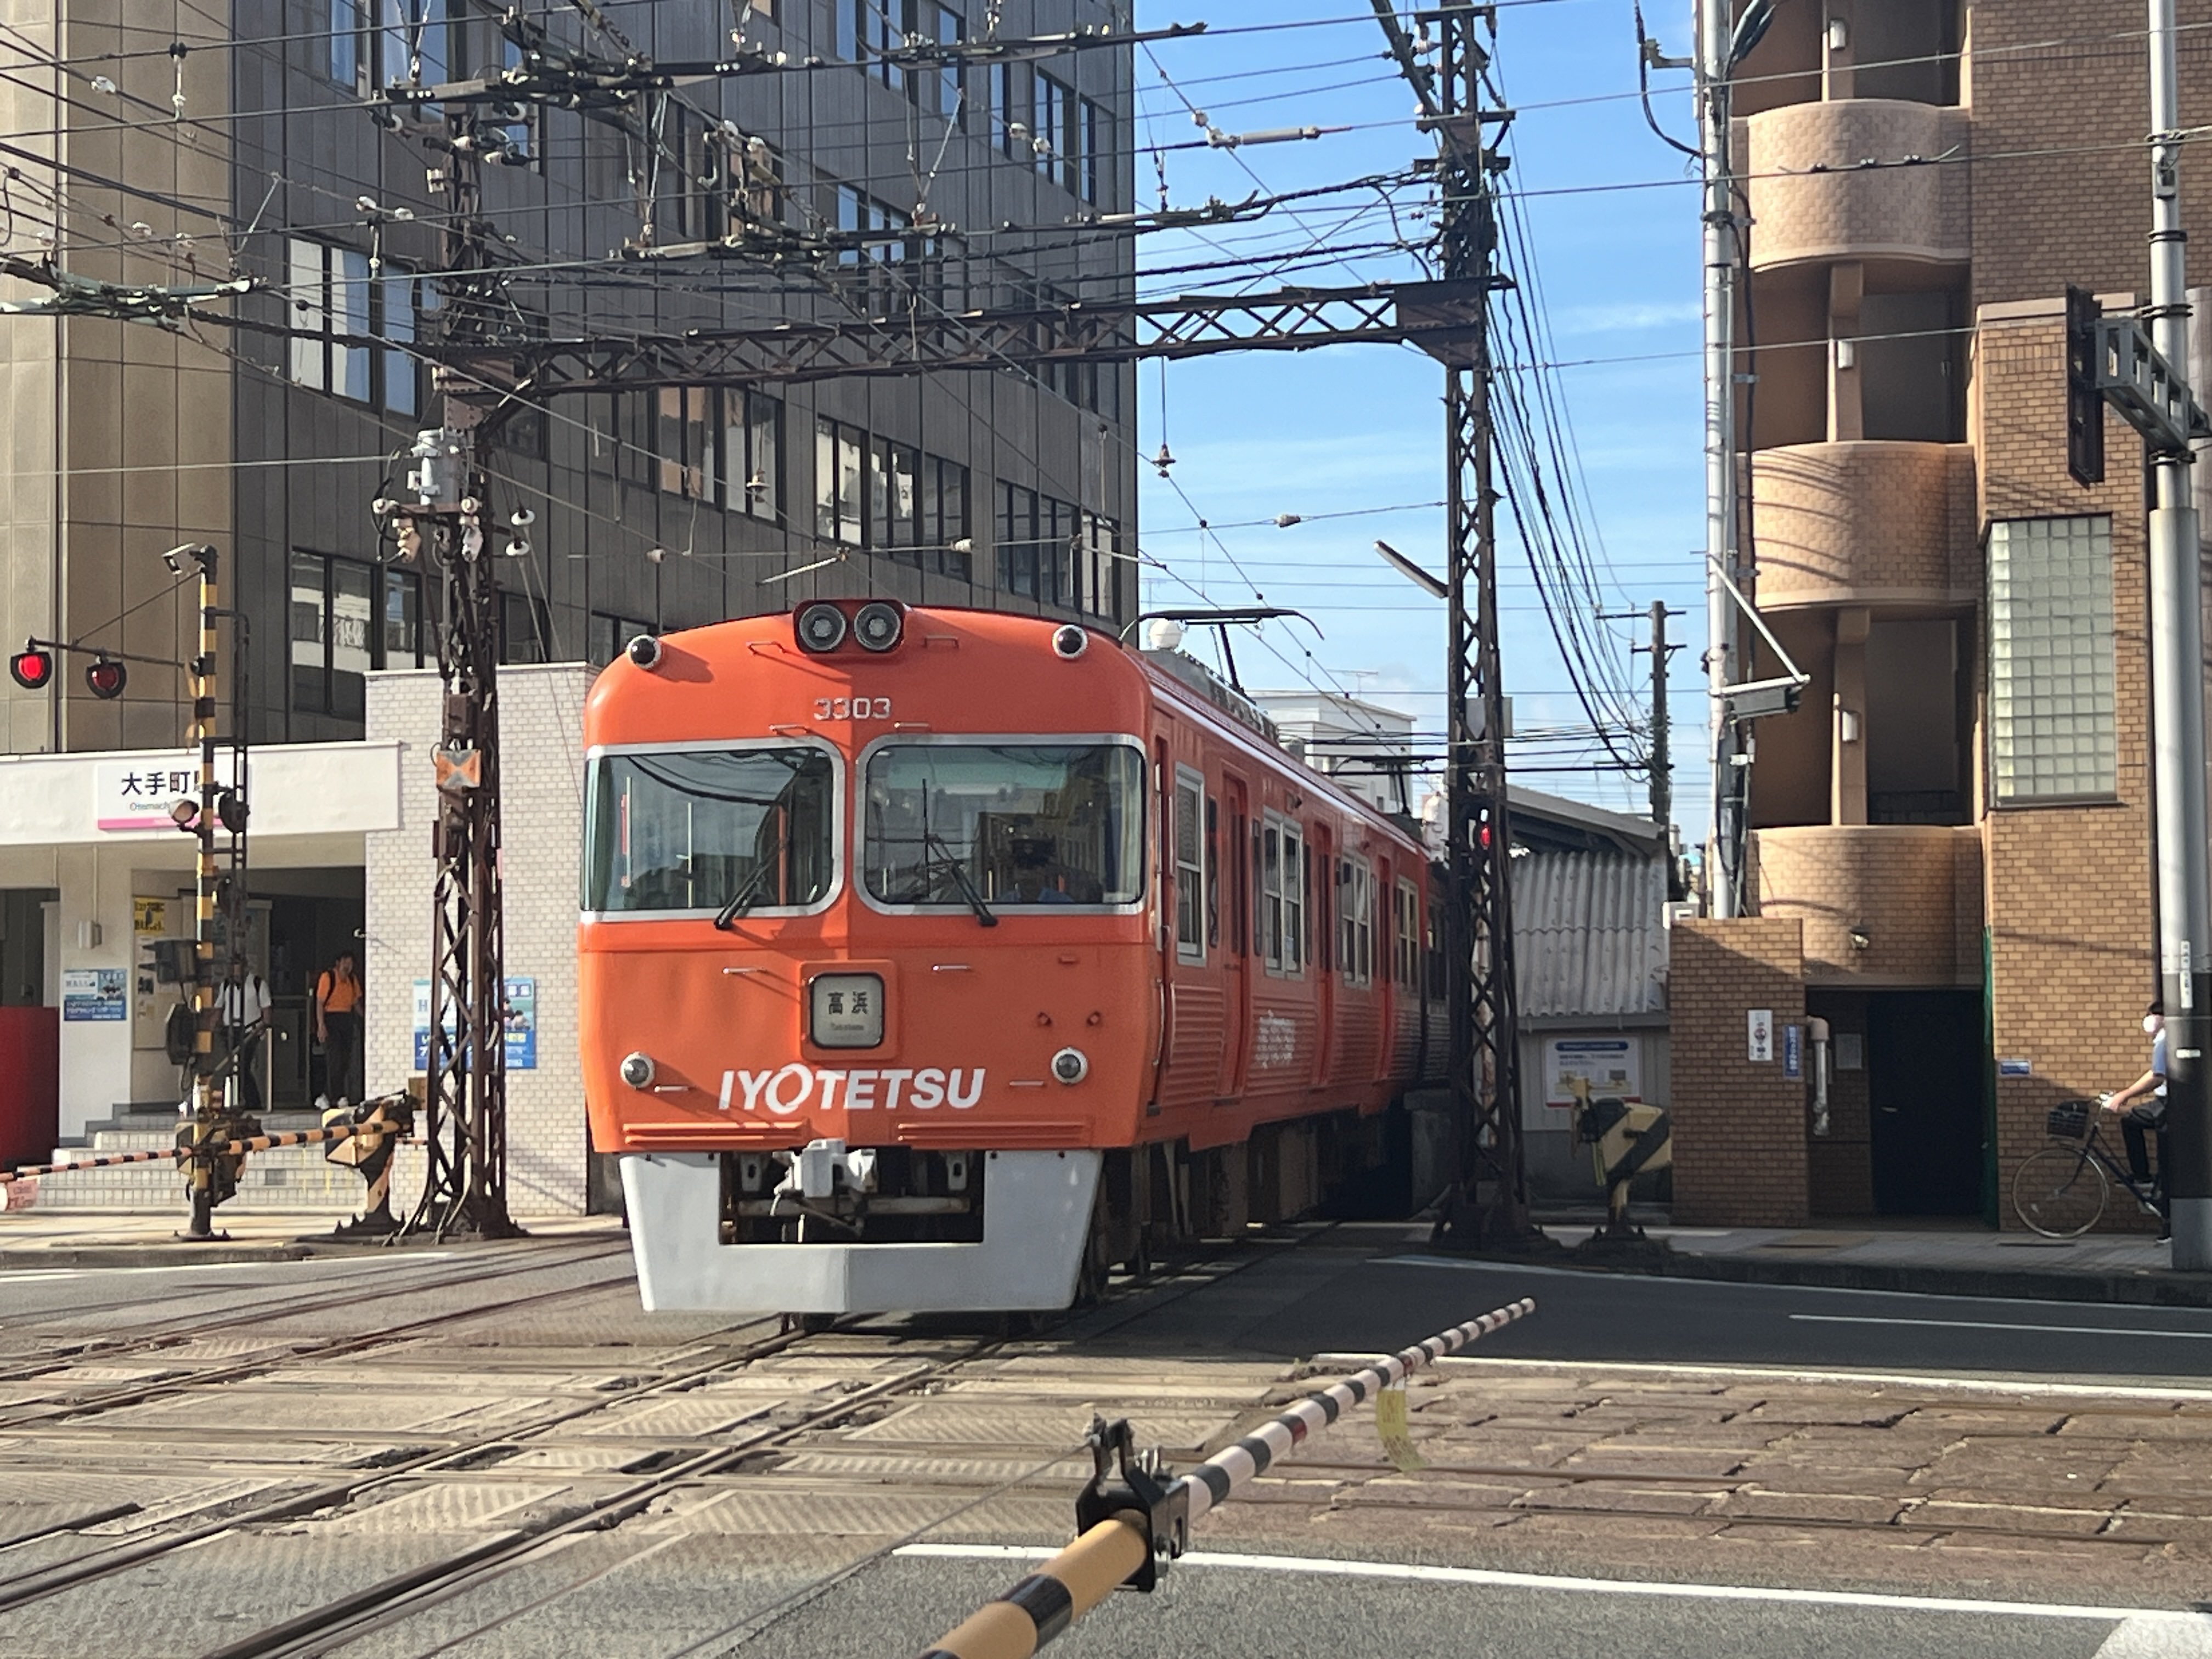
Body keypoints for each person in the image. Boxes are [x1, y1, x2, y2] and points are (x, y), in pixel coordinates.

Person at [2105, 997, 2172, 1240]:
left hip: (2167, 1105)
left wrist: (2125, 1095)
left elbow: (2157, 1077)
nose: (2150, 1018)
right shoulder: (2167, 1038)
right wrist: (2125, 1093)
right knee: (2133, 1121)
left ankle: (2169, 1226)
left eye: (2155, 1014)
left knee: (2167, 1163)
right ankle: (2143, 1176)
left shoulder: (2165, 1038)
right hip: (2165, 1103)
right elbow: (2154, 1071)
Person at [217, 956, 273, 1114]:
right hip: (229, 1031)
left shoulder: (258, 984)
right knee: (233, 1067)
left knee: (243, 1065)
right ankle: (239, 1101)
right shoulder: (226, 985)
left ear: (245, 967)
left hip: (250, 1031)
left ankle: (253, 1102)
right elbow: (219, 1007)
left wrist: (264, 1027)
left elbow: (267, 1008)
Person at [315, 950, 364, 1110]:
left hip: (346, 1019)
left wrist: (366, 1019)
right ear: (338, 963)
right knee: (334, 1059)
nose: (348, 967)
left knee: (345, 1060)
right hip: (331, 1018)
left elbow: (356, 1002)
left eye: (350, 963)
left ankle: (328, 1095)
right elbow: (320, 1003)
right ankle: (337, 1095)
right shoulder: (328, 977)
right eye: (345, 962)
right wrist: (321, 1026)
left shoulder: (352, 979)